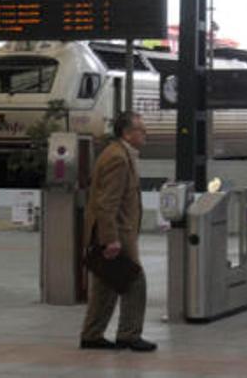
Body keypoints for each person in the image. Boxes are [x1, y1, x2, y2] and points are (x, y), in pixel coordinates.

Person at [79, 111, 156, 352]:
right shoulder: (118, 159)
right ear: (127, 133)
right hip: (117, 233)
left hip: (114, 231)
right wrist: (111, 239)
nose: (145, 134)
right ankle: (129, 335)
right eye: (141, 130)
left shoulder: (120, 153)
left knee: (106, 286)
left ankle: (92, 335)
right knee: (135, 282)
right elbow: (107, 203)